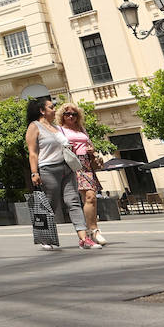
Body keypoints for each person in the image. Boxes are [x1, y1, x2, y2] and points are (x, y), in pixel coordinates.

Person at [26, 96, 95, 250]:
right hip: (48, 170)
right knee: (50, 205)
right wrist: (34, 173)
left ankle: (84, 238)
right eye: (51, 107)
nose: (54, 109)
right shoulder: (34, 127)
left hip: (67, 168)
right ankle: (45, 238)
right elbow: (33, 153)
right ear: (42, 111)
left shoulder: (56, 128)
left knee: (73, 202)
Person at [58, 102, 108, 246]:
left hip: (86, 163)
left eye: (74, 114)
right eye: (67, 114)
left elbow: (90, 144)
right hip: (72, 164)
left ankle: (94, 230)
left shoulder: (81, 129)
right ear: (62, 116)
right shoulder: (60, 130)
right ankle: (87, 232)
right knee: (83, 198)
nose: (71, 116)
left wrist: (92, 151)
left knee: (91, 197)